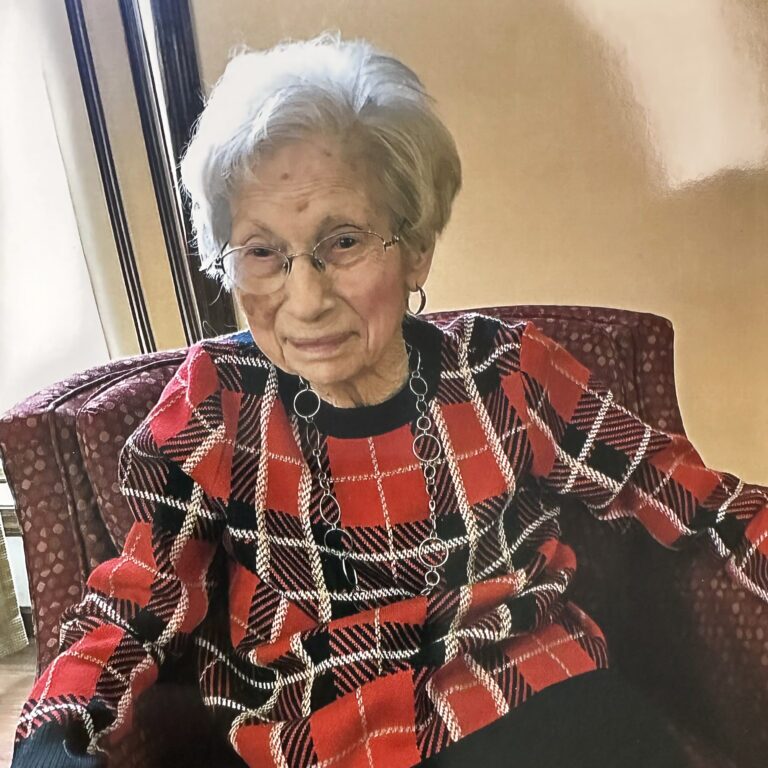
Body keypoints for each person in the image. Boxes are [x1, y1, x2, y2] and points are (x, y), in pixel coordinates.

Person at [11, 33, 768, 768]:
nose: (303, 301)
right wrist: (53, 731)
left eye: (342, 241)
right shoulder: (218, 404)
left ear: (416, 248)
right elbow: (132, 604)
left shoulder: (504, 375)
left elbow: (695, 500)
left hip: (534, 700)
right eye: (262, 252)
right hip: (327, 736)